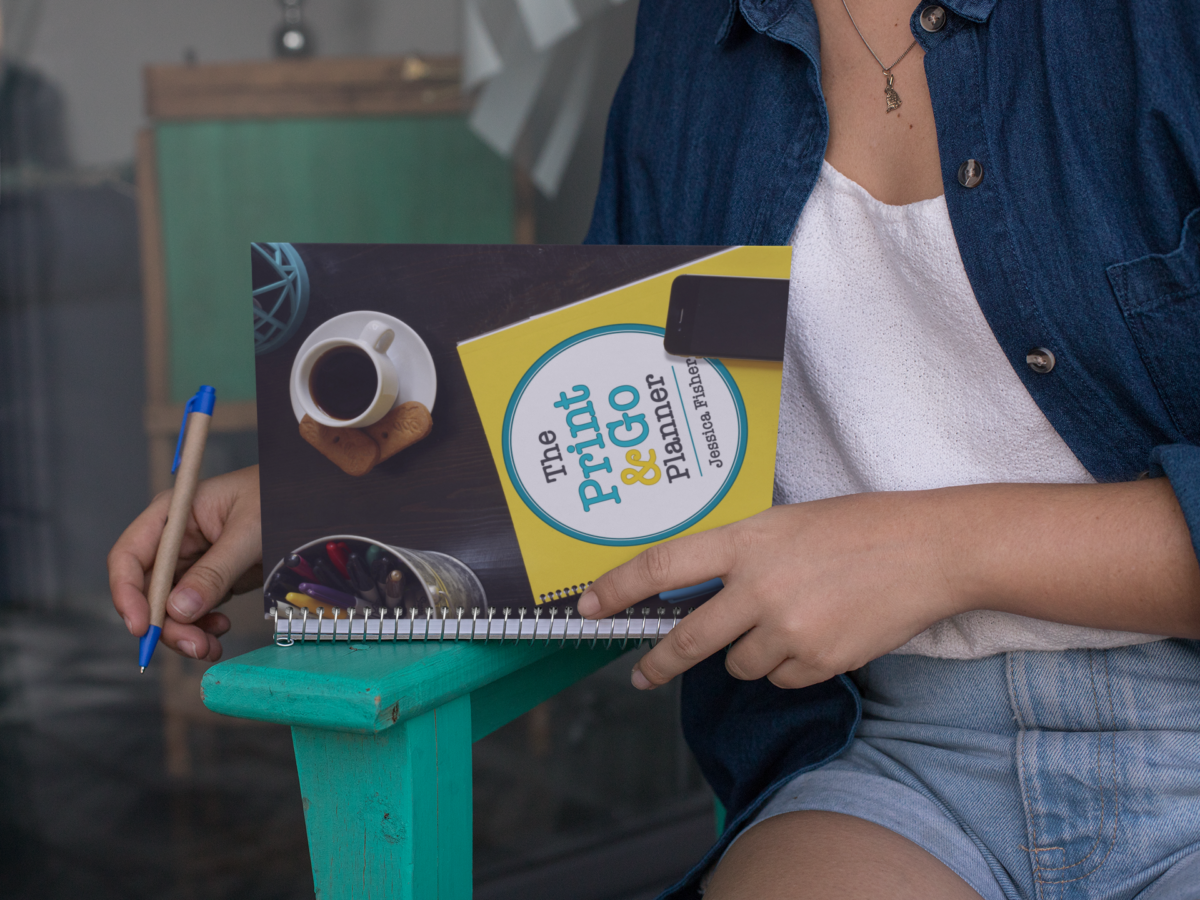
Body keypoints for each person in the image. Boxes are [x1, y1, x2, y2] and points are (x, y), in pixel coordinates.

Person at [111, 1, 1200, 897]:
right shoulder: (694, 38)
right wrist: (321, 501)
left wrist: (939, 551)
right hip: (891, 752)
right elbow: (619, 411)